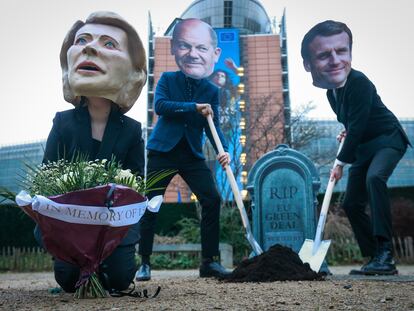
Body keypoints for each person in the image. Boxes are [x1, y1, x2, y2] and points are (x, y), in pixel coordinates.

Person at [38, 11, 147, 292]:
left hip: (115, 226)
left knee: (121, 279)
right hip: (70, 226)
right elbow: (45, 178)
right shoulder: (62, 123)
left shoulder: (132, 130)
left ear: (135, 71)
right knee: (69, 281)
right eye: (82, 40)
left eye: (109, 43)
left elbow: (137, 183)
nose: (89, 47)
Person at [301, 20, 410, 275]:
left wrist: (339, 163)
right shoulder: (332, 93)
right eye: (325, 55)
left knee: (375, 179)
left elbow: (359, 124)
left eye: (342, 51)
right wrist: (348, 131)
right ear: (309, 64)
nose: (336, 60)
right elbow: (354, 123)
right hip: (363, 147)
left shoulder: (359, 81)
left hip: (388, 140)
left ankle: (386, 255)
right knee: (351, 203)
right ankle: (374, 257)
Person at [136, 18, 231, 281]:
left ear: (212, 54)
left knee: (211, 199)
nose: (193, 55)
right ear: (178, 52)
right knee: (151, 204)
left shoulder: (211, 90)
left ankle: (208, 262)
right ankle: (144, 262)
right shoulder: (167, 79)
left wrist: (223, 150)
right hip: (162, 152)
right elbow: (162, 107)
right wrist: (192, 107)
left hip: (191, 155)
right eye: (186, 47)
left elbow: (213, 125)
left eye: (201, 48)